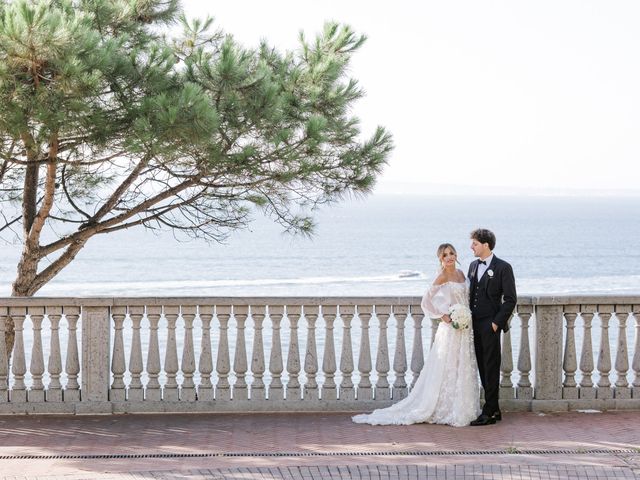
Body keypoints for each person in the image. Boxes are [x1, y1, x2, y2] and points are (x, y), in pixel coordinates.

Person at [352, 243, 480, 427]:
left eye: (452, 253)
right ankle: (444, 407)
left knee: (463, 366)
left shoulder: (461, 273)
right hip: (452, 329)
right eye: (445, 255)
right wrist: (445, 316)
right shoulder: (442, 276)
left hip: (466, 328)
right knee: (449, 366)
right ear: (441, 259)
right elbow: (426, 302)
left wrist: (464, 315)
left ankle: (461, 406)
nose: (450, 257)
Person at [468, 228, 517, 426]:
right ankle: (494, 408)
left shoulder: (503, 267)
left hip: (490, 324)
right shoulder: (472, 266)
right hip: (472, 324)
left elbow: (510, 299)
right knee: (481, 364)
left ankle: (488, 412)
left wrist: (496, 323)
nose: (471, 247)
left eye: (475, 243)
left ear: (486, 245)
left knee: (490, 366)